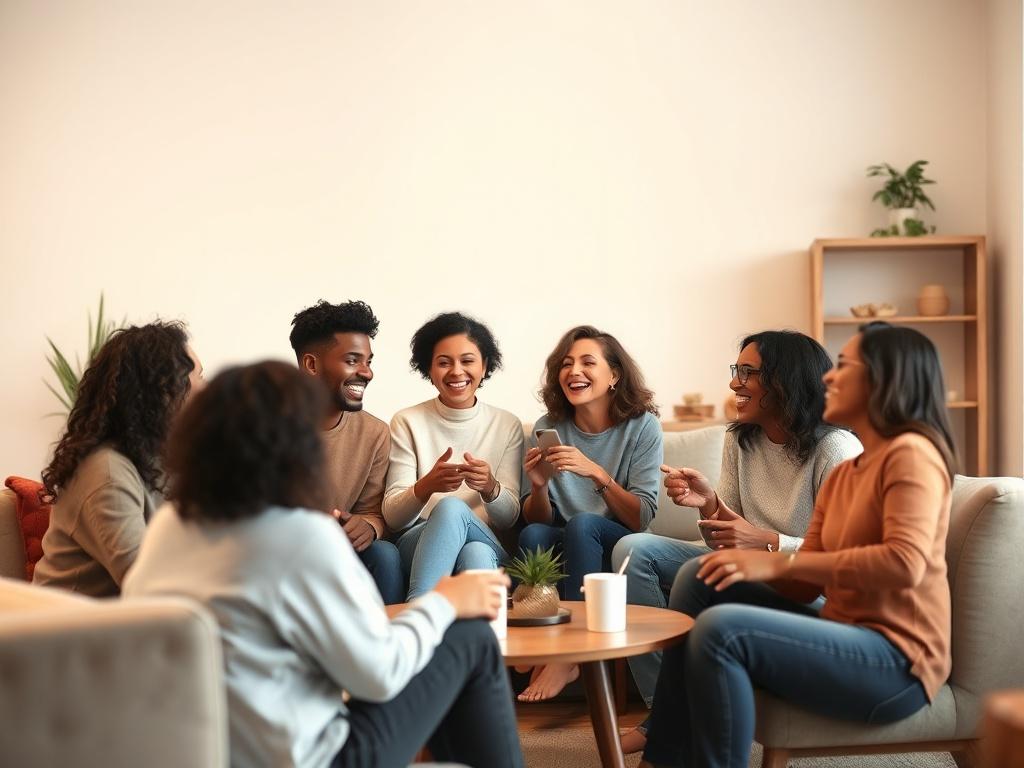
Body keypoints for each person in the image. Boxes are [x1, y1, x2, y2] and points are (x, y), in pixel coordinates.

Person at [123, 361, 523, 768]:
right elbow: (379, 674)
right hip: (311, 759)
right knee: (470, 636)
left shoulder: (170, 526)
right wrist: (442, 602)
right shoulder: (300, 534)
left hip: (201, 752)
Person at [640, 322, 957, 768]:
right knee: (700, 576)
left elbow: (904, 563)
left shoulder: (912, 455)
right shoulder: (847, 476)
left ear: (885, 380)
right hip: (842, 634)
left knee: (722, 630)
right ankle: (664, 757)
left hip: (898, 665)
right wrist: (744, 553)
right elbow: (806, 586)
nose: (829, 376)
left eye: (845, 367)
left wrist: (772, 563)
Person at [613, 330, 862, 753]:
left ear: (785, 381)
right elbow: (726, 543)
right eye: (737, 370)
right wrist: (710, 505)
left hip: (809, 591)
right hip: (752, 571)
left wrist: (770, 542)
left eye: (748, 373)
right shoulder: (740, 438)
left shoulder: (836, 449)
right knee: (633, 549)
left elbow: (844, 558)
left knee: (697, 573)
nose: (734, 383)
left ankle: (668, 724)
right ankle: (666, 710)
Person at [517, 324, 663, 702]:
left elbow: (641, 517)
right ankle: (542, 643)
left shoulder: (642, 427)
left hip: (616, 538)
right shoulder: (550, 427)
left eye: (587, 362)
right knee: (533, 536)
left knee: (584, 526)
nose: (573, 371)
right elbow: (539, 520)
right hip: (569, 535)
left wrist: (597, 473)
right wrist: (538, 485)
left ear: (614, 375)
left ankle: (571, 651)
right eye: (566, 364)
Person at [34, 321, 202, 597]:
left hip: (129, 627)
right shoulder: (107, 471)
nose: (206, 390)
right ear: (164, 391)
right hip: (69, 631)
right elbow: (147, 583)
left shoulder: (163, 458)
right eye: (199, 378)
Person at [383, 311, 524, 600]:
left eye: (468, 361)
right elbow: (394, 519)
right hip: (419, 542)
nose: (457, 371)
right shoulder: (407, 421)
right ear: (429, 370)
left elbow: (509, 519)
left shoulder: (506, 424)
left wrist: (490, 487)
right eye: (444, 362)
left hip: (485, 539)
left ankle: (423, 621)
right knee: (450, 509)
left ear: (485, 366)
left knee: (477, 550)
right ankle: (424, 610)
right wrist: (427, 486)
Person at [290, 299, 403, 604]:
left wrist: (367, 527)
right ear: (311, 365)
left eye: (368, 361)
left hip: (341, 555)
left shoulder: (375, 433)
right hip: (282, 556)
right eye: (353, 360)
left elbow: (373, 511)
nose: (367, 373)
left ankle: (388, 648)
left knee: (385, 555)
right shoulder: (263, 425)